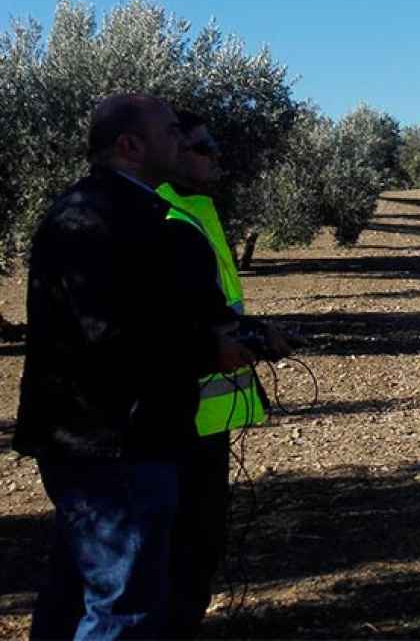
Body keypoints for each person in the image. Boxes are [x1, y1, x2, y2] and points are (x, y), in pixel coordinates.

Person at [13, 94, 255, 640]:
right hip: (114, 443)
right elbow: (109, 339)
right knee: (124, 608)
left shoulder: (127, 212)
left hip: (118, 439)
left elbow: (150, 315)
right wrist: (209, 350)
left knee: (81, 592)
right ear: (129, 145)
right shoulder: (93, 219)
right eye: (172, 131)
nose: (181, 140)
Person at [156, 109, 278, 636]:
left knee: (196, 547)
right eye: (205, 148)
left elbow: (211, 307)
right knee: (174, 552)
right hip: (170, 416)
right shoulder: (164, 216)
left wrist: (249, 332)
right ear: (171, 151)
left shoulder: (197, 209)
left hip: (204, 414)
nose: (217, 157)